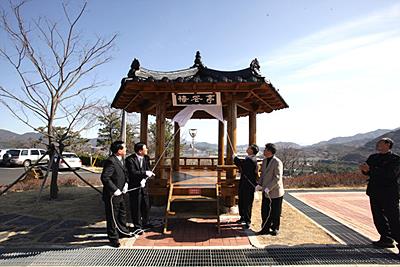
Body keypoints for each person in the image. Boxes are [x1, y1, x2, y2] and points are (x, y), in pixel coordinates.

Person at [359, 137, 400, 250]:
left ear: (388, 145)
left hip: (389, 193)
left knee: (394, 217)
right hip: (374, 191)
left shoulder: (396, 159)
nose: (378, 145)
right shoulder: (373, 157)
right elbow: (367, 171)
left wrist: (371, 169)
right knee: (378, 217)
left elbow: (391, 174)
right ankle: (385, 238)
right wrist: (364, 169)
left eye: (380, 143)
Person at [100, 141, 131, 248]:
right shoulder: (111, 161)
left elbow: (125, 173)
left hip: (121, 192)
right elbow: (105, 177)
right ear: (119, 150)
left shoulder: (121, 160)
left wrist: (126, 183)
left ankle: (123, 232)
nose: (126, 149)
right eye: (124, 148)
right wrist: (114, 189)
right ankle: (113, 238)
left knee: (122, 213)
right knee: (112, 217)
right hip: (112, 195)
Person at [256, 143, 284, 236]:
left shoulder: (277, 162)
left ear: (270, 151)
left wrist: (269, 188)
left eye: (265, 150)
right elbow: (263, 175)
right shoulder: (264, 161)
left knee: (275, 211)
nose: (263, 151)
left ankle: (275, 228)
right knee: (265, 210)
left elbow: (277, 178)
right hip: (265, 191)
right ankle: (265, 228)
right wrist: (259, 184)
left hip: (275, 191)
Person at [126, 142, 155, 230]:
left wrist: (145, 177)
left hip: (144, 186)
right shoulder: (130, 159)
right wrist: (144, 173)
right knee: (136, 207)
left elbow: (148, 169)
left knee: (146, 205)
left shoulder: (146, 158)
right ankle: (137, 226)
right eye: (145, 148)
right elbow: (132, 172)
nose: (147, 150)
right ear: (140, 151)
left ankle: (146, 223)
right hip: (134, 186)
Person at [233, 144, 259, 228]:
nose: (247, 149)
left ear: (252, 150)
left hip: (248, 185)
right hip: (244, 183)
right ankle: (243, 217)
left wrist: (235, 158)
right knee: (242, 201)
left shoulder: (251, 159)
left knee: (247, 203)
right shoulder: (249, 158)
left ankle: (247, 220)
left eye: (249, 148)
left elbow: (242, 166)